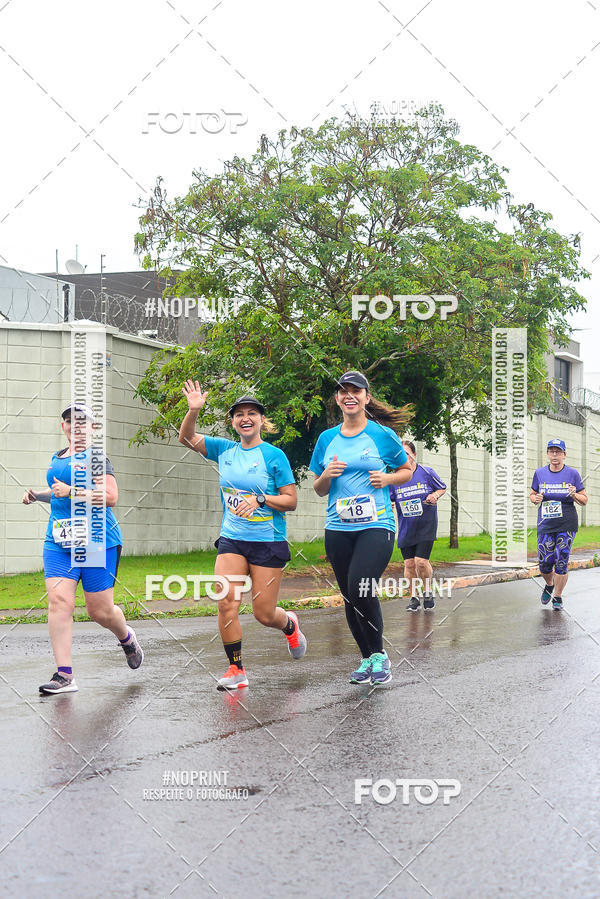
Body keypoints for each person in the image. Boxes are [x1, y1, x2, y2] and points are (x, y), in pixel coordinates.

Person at [178, 381, 306, 690]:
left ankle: (289, 624)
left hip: (267, 541)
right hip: (232, 539)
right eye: (239, 414)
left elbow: (290, 500)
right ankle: (236, 669)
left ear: (261, 420)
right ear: (233, 422)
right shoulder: (224, 449)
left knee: (264, 614)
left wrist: (261, 499)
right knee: (226, 603)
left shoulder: (274, 456)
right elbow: (186, 438)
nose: (245, 418)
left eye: (251, 414)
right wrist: (194, 410)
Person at [22, 403, 143, 695]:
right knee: (59, 603)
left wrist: (73, 491)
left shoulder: (96, 457)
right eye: (69, 421)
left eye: (81, 422)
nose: (74, 427)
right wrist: (38, 495)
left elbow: (111, 496)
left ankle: (126, 637)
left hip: (97, 540)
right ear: (63, 426)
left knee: (99, 611)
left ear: (92, 428)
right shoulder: (57, 458)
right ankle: (64, 676)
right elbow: (59, 494)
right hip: (59, 542)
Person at [310, 371, 412, 686]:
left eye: (356, 390)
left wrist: (388, 478)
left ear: (367, 397)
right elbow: (318, 489)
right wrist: (326, 474)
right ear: (337, 399)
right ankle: (367, 658)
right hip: (338, 528)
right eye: (343, 391)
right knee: (349, 596)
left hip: (376, 525)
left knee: (360, 586)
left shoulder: (382, 435)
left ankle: (380, 655)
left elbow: (407, 470)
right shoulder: (326, 439)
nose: (349, 395)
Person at [530, 438, 587, 610]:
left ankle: (558, 596)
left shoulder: (572, 474)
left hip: (566, 523)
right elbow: (532, 494)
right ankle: (549, 584)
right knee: (545, 562)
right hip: (546, 524)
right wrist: (535, 498)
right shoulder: (539, 473)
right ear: (547, 454)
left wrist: (574, 494)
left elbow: (584, 500)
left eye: (558, 452)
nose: (555, 455)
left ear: (564, 454)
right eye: (552, 451)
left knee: (561, 558)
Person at [389, 441, 446, 612]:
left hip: (426, 524)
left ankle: (427, 592)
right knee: (409, 564)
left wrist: (434, 495)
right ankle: (414, 598)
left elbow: (442, 488)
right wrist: (390, 505)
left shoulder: (426, 472)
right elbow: (390, 499)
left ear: (414, 455)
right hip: (406, 526)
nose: (403, 457)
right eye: (400, 454)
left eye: (406, 453)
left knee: (421, 562)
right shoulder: (394, 479)